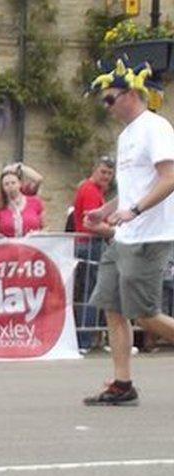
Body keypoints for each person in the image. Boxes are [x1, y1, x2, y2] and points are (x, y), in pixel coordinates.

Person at [82, 60, 174, 405]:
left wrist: (134, 211)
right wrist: (105, 210)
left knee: (146, 314)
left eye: (110, 99)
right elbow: (134, 188)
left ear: (132, 94)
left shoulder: (156, 127)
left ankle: (123, 383)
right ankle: (123, 384)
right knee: (111, 306)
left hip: (150, 235)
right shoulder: (126, 135)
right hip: (124, 237)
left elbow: (169, 178)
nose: (106, 106)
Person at [72, 156, 116, 352]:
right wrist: (113, 231)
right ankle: (85, 339)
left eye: (109, 173)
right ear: (94, 170)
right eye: (103, 172)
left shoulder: (94, 190)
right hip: (90, 243)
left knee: (90, 291)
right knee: (92, 293)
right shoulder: (90, 190)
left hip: (89, 243)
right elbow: (92, 223)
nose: (106, 176)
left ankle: (89, 337)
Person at [0, 164, 45, 237]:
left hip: (31, 245)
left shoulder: (35, 201)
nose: (10, 186)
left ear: (20, 183)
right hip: (7, 246)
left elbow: (45, 227)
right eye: (6, 184)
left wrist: (20, 167)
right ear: (2, 187)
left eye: (13, 183)